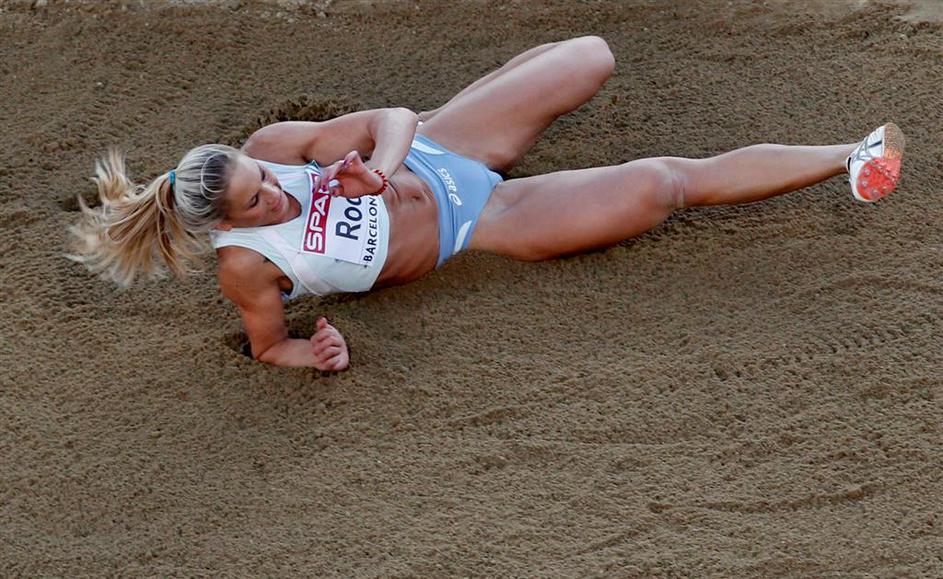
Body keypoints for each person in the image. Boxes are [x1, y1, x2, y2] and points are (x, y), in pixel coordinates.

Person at [70, 36, 906, 372]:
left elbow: (387, 120)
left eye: (262, 178)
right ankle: (851, 155)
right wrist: (314, 351)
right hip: (480, 225)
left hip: (443, 146)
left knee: (588, 56)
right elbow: (266, 347)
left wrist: (384, 168)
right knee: (662, 185)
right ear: (225, 224)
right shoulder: (250, 268)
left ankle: (505, 81)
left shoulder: (281, 144)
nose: (274, 192)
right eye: (258, 202)